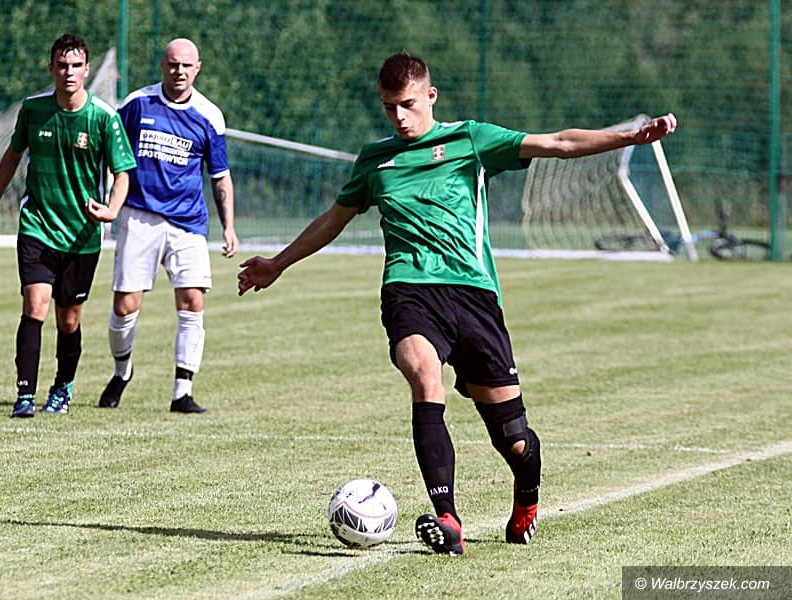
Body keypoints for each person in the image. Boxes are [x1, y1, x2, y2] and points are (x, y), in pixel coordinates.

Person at [237, 52, 677, 555]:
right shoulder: (375, 160)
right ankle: (448, 519)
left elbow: (557, 143)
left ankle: (526, 495)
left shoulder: (470, 139)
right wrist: (278, 263)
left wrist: (629, 138)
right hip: (408, 289)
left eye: (407, 104)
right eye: (388, 107)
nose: (399, 117)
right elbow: (333, 220)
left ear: (431, 96)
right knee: (424, 376)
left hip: (473, 295)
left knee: (514, 440)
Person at [0, 33, 137, 418]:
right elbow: (12, 156)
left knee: (68, 319)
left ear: (87, 70)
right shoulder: (33, 110)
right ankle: (24, 395)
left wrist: (111, 210)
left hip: (82, 235)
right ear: (51, 68)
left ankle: (62, 387)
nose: (68, 72)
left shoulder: (103, 118)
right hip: (38, 225)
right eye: (62, 65)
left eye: (75, 66)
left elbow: (122, 173)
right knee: (35, 304)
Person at [98, 38, 238, 414]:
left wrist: (229, 227)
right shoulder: (136, 104)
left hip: (187, 222)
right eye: (173, 64)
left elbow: (220, 177)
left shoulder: (209, 115)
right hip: (139, 215)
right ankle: (122, 372)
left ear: (198, 69)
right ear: (162, 65)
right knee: (125, 305)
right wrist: (108, 203)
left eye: (187, 66)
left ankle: (182, 393)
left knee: (193, 301)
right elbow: (110, 156)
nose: (179, 71)